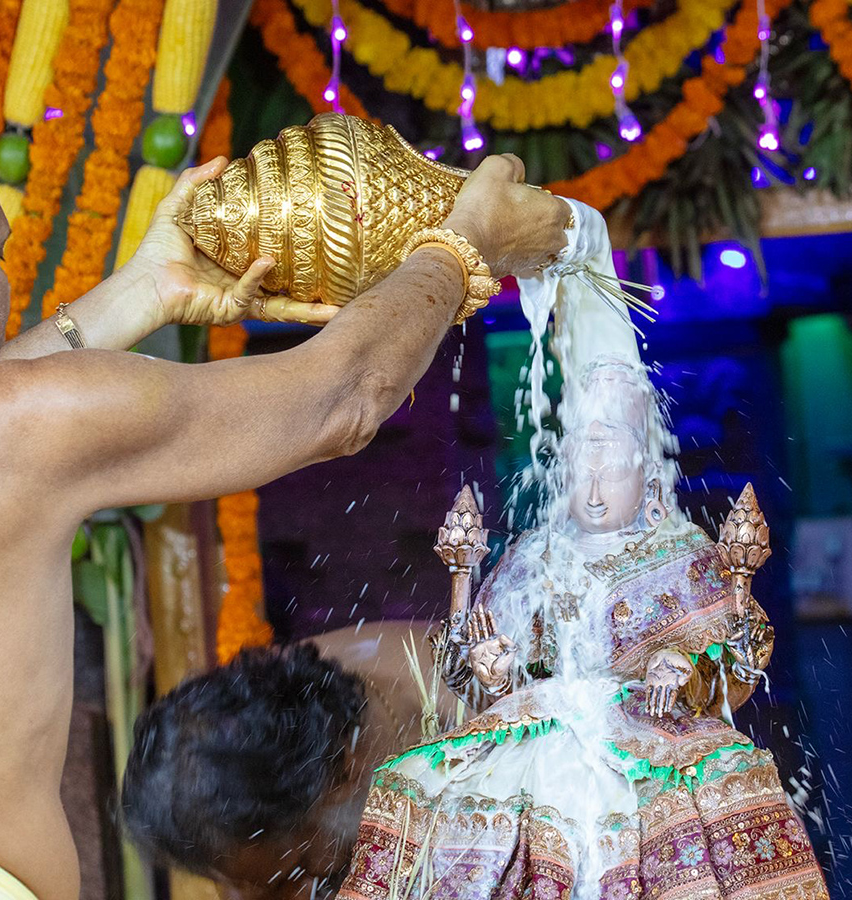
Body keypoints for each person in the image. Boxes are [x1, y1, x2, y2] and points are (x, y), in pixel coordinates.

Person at [0, 114, 568, 899]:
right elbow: (342, 399)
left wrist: (146, 290)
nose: (0, 282)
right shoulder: (8, 429)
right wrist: (458, 244)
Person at [335, 202, 828, 899]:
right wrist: (492, 668)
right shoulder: (535, 556)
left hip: (651, 740)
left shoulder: (680, 550)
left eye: (610, 464)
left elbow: (737, 666)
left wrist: (681, 664)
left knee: (706, 795)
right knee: (415, 783)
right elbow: (475, 666)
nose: (592, 487)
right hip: (534, 736)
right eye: (578, 466)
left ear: (649, 480)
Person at [122, 621, 457, 900]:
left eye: (300, 866)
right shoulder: (290, 702)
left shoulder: (467, 730)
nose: (296, 892)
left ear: (342, 775)